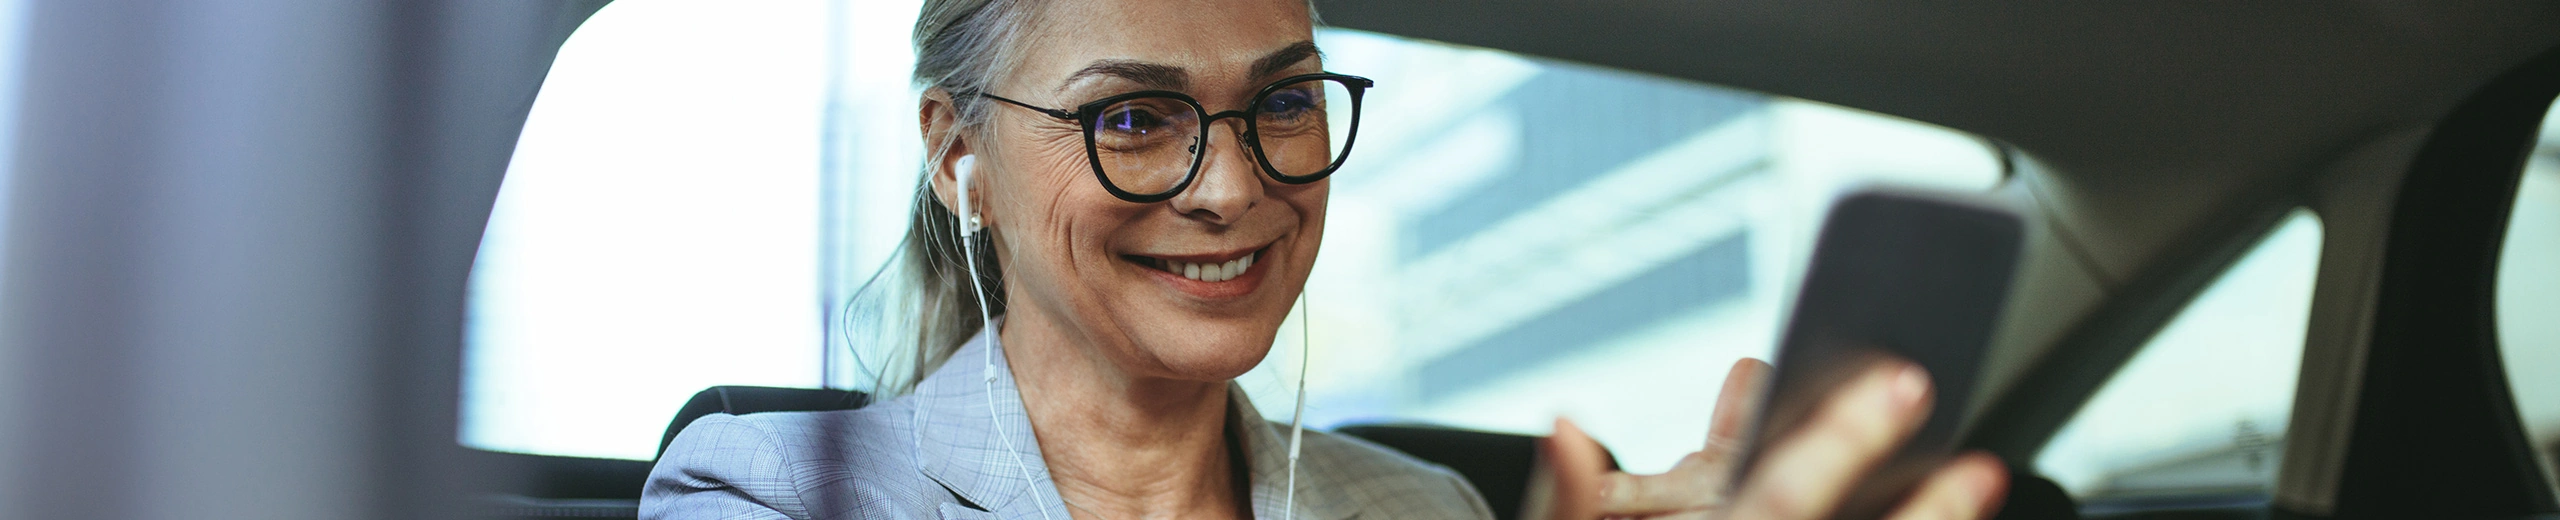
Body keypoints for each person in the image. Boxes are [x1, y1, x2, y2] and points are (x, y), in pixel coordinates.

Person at [642, 0, 2010, 518]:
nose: (1235, 187)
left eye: (1284, 102)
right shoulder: (757, 494)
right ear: (958, 157)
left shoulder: (1428, 511)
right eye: (1134, 116)